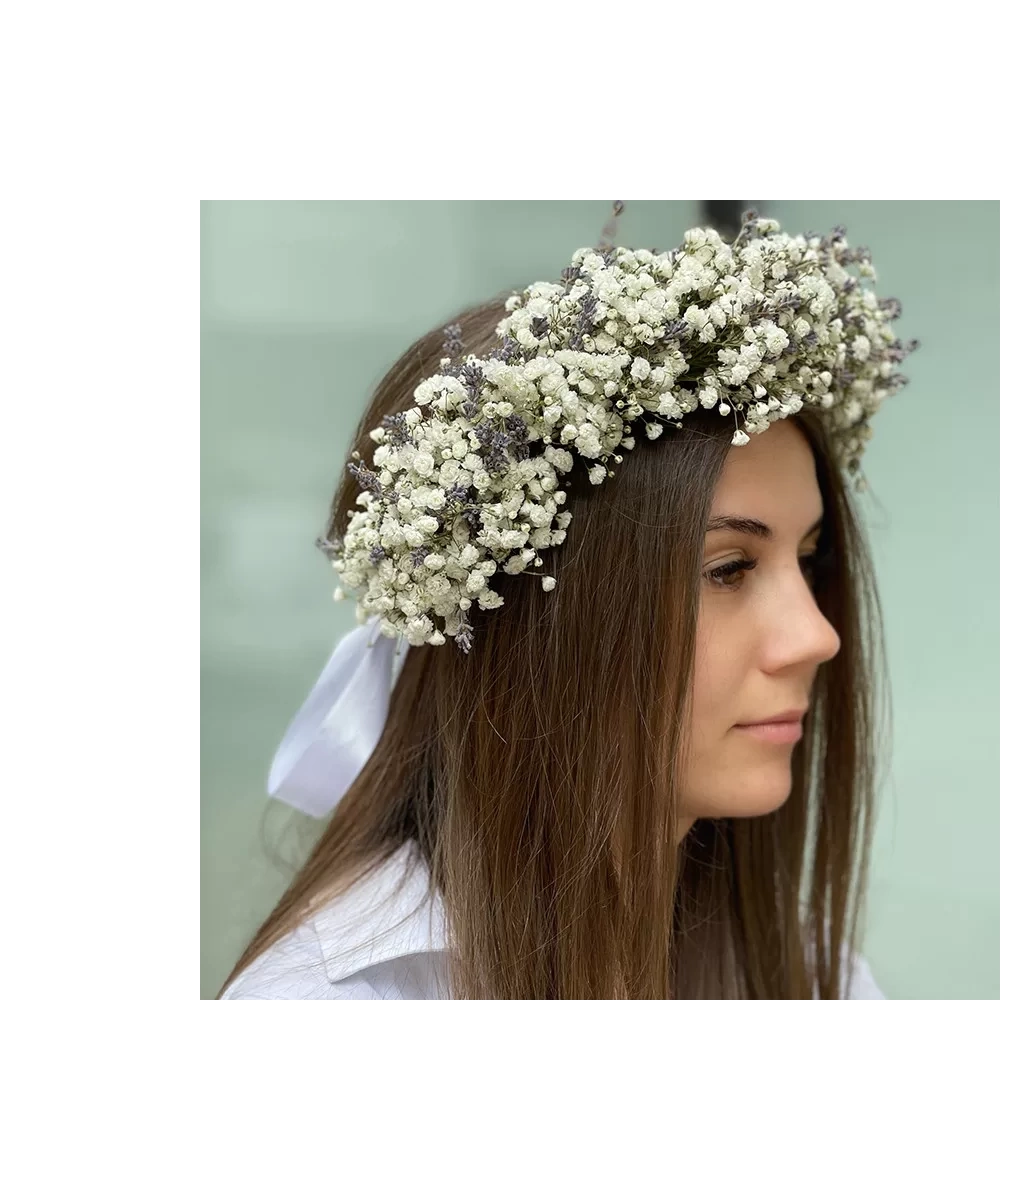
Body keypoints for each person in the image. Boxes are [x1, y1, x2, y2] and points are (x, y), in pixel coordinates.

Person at [217, 213, 915, 999]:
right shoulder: (336, 1006)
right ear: (537, 618)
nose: (817, 637)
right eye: (727, 569)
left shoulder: (805, 975)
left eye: (811, 558)